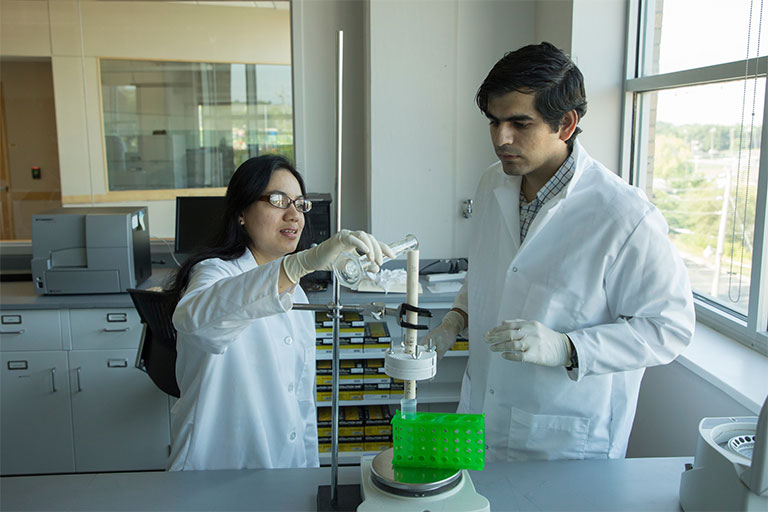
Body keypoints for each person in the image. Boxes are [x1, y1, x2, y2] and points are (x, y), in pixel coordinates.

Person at [426, 42, 695, 462]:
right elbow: (488, 274)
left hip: (564, 437)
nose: (502, 138)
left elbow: (669, 328)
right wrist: (455, 320)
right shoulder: (492, 184)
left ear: (566, 124)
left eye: (519, 123)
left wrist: (568, 348)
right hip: (482, 414)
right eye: (494, 122)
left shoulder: (623, 214)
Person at [166, 154, 393, 471]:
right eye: (277, 201)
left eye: (300, 205)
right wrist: (300, 263)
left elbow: (301, 399)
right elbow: (196, 321)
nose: (294, 216)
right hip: (214, 469)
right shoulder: (213, 272)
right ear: (242, 211)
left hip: (284, 469)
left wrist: (308, 472)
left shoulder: (295, 291)